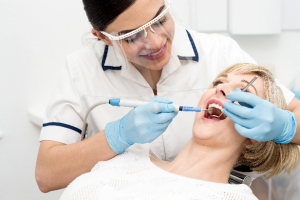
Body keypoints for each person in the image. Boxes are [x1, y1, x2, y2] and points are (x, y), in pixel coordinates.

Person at [35, 0, 300, 192]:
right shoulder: (80, 70)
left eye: (160, 20)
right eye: (132, 36)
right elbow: (46, 175)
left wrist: (286, 126)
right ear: (102, 38)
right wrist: (117, 136)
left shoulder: (219, 53)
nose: (155, 42)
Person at [59, 63, 300, 200]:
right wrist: (118, 134)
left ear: (255, 135)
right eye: (218, 83)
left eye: (244, 93)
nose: (222, 89)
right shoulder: (124, 159)